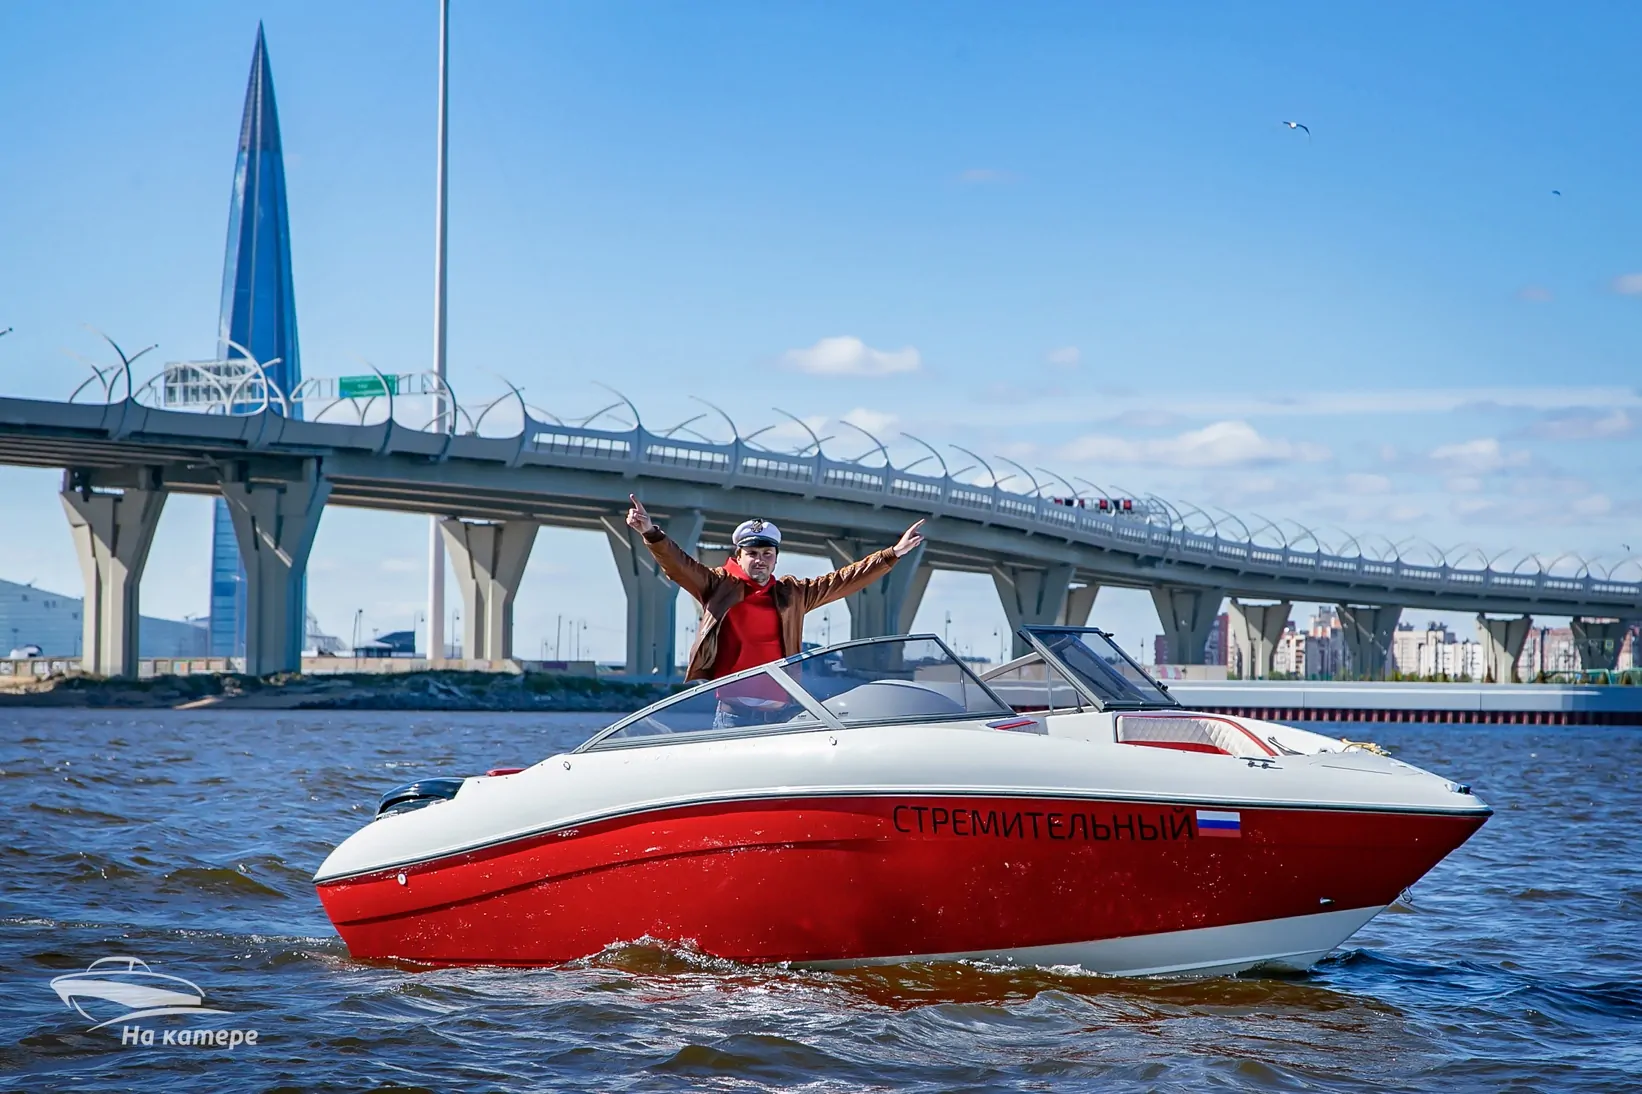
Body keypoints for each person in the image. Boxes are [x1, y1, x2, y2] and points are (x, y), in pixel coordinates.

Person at [624, 495, 925, 705]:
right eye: (752, 554)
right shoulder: (718, 585)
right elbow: (679, 565)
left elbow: (844, 580)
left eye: (767, 554)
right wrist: (650, 532)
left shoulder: (792, 594)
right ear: (738, 556)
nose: (760, 560)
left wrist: (892, 554)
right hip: (732, 714)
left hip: (781, 712)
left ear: (776, 559)